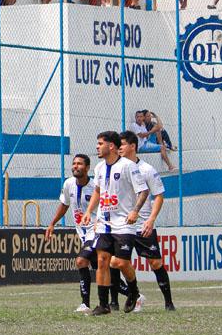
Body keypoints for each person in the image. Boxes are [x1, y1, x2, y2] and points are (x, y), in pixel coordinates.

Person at [81, 131, 148, 316]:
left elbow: (143, 191)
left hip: (124, 223)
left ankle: (133, 291)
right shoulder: (100, 168)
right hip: (104, 222)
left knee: (119, 262)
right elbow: (97, 191)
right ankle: (103, 305)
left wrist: (135, 210)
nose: (97, 147)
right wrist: (89, 212)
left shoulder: (128, 166)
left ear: (111, 146)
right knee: (102, 261)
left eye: (100, 143)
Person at [119, 131, 175, 311]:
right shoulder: (115, 169)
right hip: (121, 226)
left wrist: (151, 220)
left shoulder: (147, 169)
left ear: (132, 146)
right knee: (116, 262)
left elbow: (159, 195)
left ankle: (168, 303)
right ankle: (128, 298)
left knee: (155, 263)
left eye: (122, 144)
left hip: (142, 225)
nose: (119, 148)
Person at [44, 154, 98, 313]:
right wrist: (52, 223)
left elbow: (104, 207)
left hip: (95, 231)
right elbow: (64, 204)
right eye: (74, 163)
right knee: (102, 270)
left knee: (81, 261)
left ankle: (85, 304)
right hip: (83, 233)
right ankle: (134, 295)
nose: (76, 166)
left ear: (87, 168)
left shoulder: (96, 186)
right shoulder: (68, 184)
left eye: (80, 164)